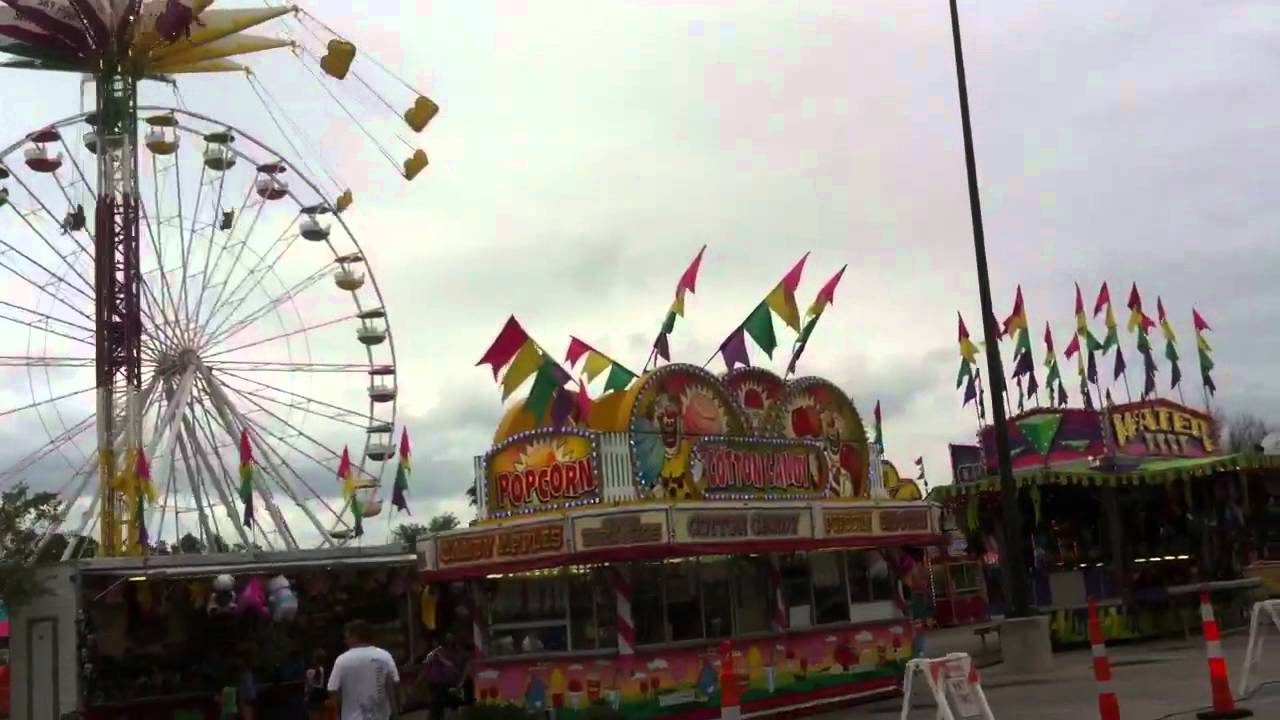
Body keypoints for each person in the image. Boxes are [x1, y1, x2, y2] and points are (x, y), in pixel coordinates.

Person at [328, 619, 401, 720]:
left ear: (355, 636)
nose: (344, 640)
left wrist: (344, 706)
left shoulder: (342, 660)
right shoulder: (385, 656)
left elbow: (332, 689)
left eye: (347, 637)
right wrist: (396, 712)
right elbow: (394, 684)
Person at [423, 635, 457, 720]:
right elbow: (427, 665)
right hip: (433, 681)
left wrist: (441, 659)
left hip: (441, 681)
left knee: (438, 702)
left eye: (435, 642)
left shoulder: (446, 652)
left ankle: (437, 717)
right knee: (434, 701)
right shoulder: (432, 653)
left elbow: (451, 665)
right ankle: (434, 717)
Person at [305, 650, 332, 720]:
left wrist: (308, 691)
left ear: (315, 659)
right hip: (324, 698)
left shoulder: (316, 671)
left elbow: (314, 685)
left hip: (315, 699)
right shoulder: (327, 670)